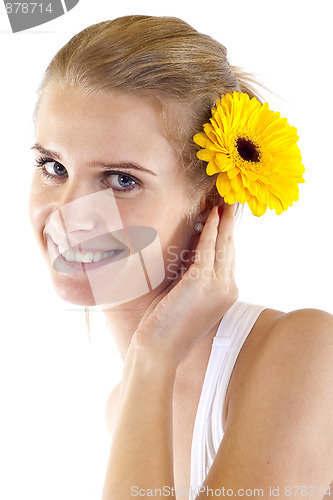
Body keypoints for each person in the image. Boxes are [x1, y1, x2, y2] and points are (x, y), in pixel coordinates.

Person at [29, 15, 333, 500]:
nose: (67, 214)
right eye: (53, 166)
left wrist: (153, 354)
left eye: (121, 179)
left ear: (209, 208)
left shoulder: (309, 352)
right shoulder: (122, 406)